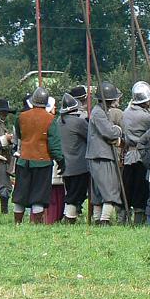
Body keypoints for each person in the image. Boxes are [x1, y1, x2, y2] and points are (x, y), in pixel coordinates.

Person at [12, 87, 64, 224]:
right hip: (43, 162)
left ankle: (17, 223)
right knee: (39, 195)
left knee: (20, 194)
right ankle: (37, 225)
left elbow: (19, 135)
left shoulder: (21, 117)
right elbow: (54, 144)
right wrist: (61, 161)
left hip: (23, 160)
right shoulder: (50, 119)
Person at [87, 82, 124, 226]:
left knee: (99, 189)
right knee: (110, 188)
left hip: (99, 154)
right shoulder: (99, 113)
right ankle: (103, 219)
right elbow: (109, 132)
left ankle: (99, 218)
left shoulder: (100, 111)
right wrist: (118, 130)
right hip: (102, 155)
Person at [121, 81, 150, 225]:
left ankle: (124, 218)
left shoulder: (126, 112)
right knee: (140, 190)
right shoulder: (146, 117)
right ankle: (138, 221)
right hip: (141, 156)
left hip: (129, 155)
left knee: (128, 189)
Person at [57, 93, 89, 224]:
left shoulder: (58, 121)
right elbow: (90, 136)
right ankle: (69, 218)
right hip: (79, 165)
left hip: (65, 164)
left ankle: (71, 215)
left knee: (72, 191)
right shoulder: (78, 122)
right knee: (76, 193)